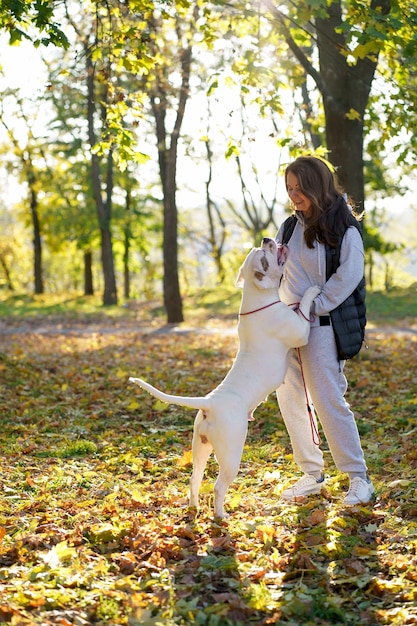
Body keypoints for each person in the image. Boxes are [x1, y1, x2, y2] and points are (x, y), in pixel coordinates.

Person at [275, 155, 374, 505]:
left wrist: (312, 307)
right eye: (289, 189)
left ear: (317, 186)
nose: (294, 196)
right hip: (288, 326)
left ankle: (358, 478)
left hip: (322, 326)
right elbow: (276, 269)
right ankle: (312, 474)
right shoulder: (289, 226)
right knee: (289, 397)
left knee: (328, 399)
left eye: (300, 188)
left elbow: (348, 276)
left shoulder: (344, 228)